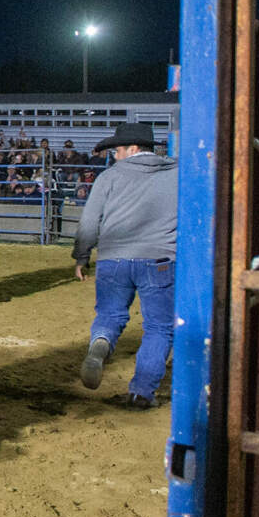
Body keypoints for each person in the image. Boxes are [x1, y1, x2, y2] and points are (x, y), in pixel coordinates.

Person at [72, 121, 177, 408]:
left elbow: (90, 221)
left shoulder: (109, 177)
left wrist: (82, 256)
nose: (114, 156)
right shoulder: (177, 174)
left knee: (109, 315)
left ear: (131, 149)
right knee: (158, 327)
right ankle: (141, 393)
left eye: (117, 150)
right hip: (159, 258)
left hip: (113, 258)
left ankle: (102, 342)